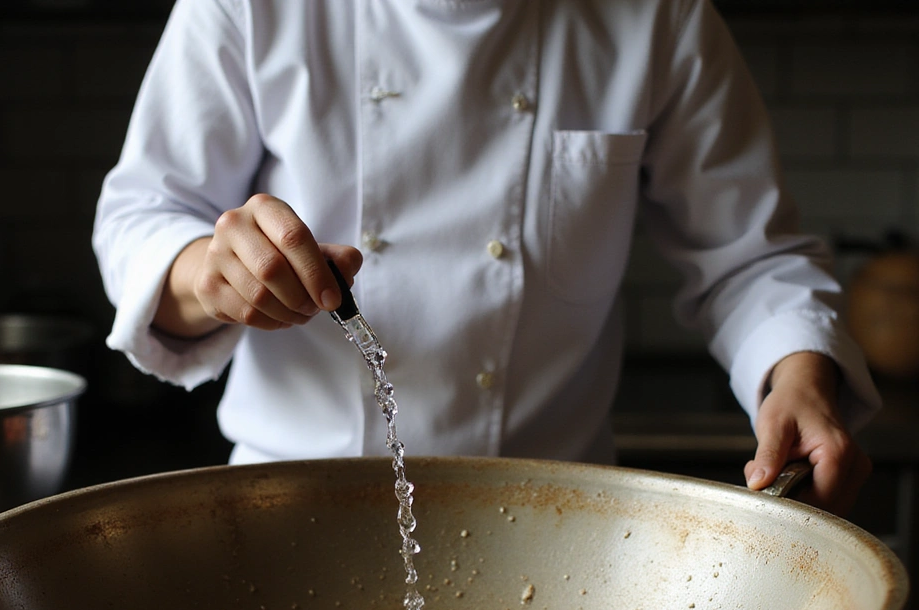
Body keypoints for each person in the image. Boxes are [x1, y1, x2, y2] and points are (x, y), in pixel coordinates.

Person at [94, 0, 881, 517]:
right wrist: (207, 273)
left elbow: (748, 257)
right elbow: (140, 218)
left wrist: (799, 373)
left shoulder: (660, 17)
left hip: (558, 526)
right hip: (287, 510)